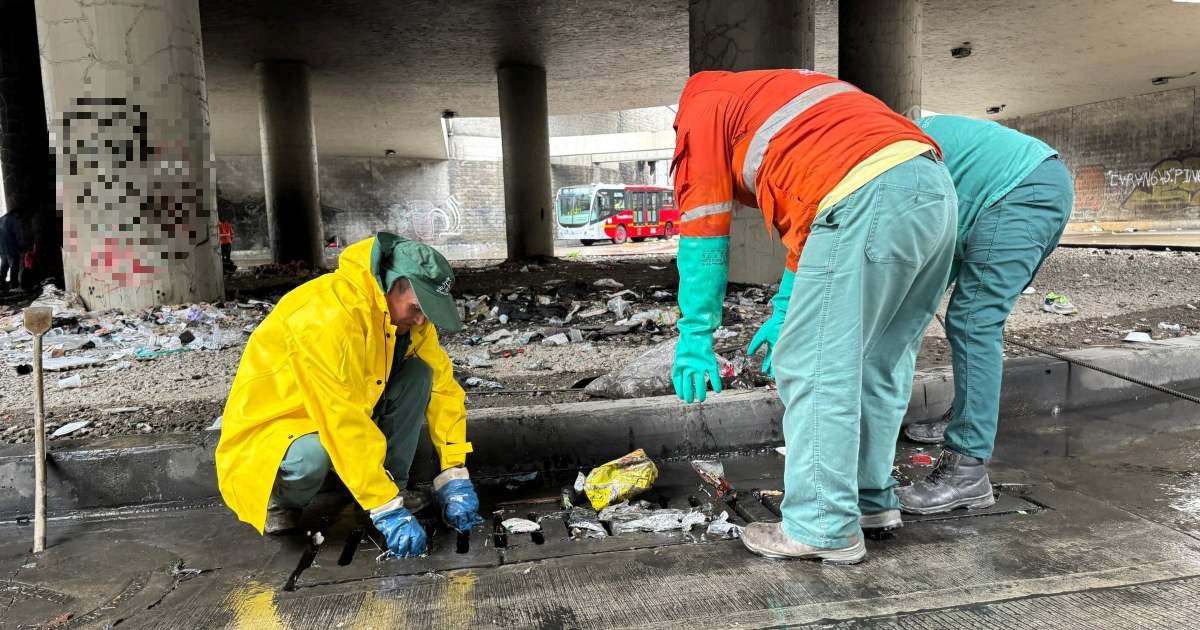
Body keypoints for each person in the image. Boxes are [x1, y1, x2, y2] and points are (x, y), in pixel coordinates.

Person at [671, 69, 957, 564]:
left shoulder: (701, 110)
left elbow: (703, 236)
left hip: (864, 195)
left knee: (813, 367)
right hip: (934, 191)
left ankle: (821, 525)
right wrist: (784, 309)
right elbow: (811, 234)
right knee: (881, 360)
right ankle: (870, 502)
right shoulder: (786, 102)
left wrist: (694, 336)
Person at [216, 233, 481, 558]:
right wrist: (385, 509)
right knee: (312, 456)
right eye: (416, 308)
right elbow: (340, 418)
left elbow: (444, 389)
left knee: (419, 374)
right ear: (392, 285)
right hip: (281, 427)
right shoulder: (328, 318)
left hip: (341, 413)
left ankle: (390, 487)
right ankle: (280, 500)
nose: (422, 320)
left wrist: (454, 472)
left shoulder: (406, 320)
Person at [897, 116, 1073, 515]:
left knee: (974, 320)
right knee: (922, 309)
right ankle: (964, 416)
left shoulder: (882, 154)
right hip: (993, 193)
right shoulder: (885, 141)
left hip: (1020, 192)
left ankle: (967, 471)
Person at [0, 213, 24, 290]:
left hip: (2, 249)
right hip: (12, 248)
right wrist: (20, 246)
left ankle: (1, 284)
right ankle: (14, 285)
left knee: (4, 267)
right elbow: (17, 233)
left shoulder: (1, 219)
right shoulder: (12, 219)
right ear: (17, 214)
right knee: (14, 267)